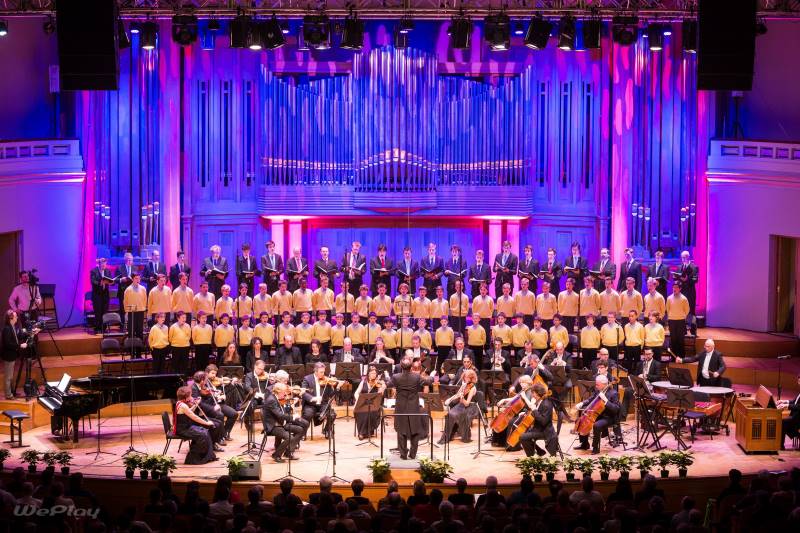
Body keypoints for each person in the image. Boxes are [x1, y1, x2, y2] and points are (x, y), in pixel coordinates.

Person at [391, 355, 433, 459]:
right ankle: (413, 454)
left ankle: (403, 454)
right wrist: (432, 376)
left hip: (401, 407)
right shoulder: (416, 377)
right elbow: (428, 381)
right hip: (413, 406)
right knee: (415, 430)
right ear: (411, 367)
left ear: (401, 366)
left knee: (401, 430)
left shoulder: (396, 377)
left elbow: (388, 383)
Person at [574, 374, 620, 454]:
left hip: (609, 417)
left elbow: (615, 409)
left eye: (597, 384)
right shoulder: (598, 391)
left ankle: (596, 448)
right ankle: (584, 444)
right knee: (580, 420)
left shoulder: (613, 393)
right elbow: (590, 399)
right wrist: (582, 403)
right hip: (598, 414)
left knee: (597, 425)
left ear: (604, 384)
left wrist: (606, 401)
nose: (596, 386)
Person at [173, 386, 217, 464]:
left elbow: (189, 412)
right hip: (183, 429)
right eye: (190, 395)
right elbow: (194, 417)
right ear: (185, 398)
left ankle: (209, 456)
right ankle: (194, 459)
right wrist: (207, 423)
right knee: (203, 434)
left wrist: (195, 405)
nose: (191, 397)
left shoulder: (179, 402)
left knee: (205, 431)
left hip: (186, 427)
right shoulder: (183, 405)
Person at [263, 382, 304, 463]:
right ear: (278, 391)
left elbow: (283, 412)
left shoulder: (278, 398)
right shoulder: (271, 400)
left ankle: (288, 452)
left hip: (281, 423)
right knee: (289, 437)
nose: (285, 394)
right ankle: (276, 455)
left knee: (300, 430)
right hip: (274, 425)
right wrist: (293, 417)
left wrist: (291, 405)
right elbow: (280, 415)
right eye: (283, 392)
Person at [439, 368, 480, 444]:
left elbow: (467, 403)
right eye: (464, 377)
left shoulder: (473, 388)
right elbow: (457, 394)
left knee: (453, 414)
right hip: (461, 405)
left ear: (471, 378)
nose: (464, 379)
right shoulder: (464, 385)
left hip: (470, 407)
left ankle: (464, 435)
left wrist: (462, 398)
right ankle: (448, 435)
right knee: (449, 414)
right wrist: (449, 400)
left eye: (466, 377)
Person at [519, 382, 559, 457]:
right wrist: (526, 413)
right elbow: (537, 414)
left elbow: (543, 421)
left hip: (545, 431)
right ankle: (539, 451)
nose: (532, 395)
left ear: (537, 393)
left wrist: (534, 410)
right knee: (524, 432)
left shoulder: (546, 404)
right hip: (538, 428)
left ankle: (531, 457)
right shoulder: (540, 401)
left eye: (533, 393)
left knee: (523, 437)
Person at [301, 362, 341, 438]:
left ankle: (327, 430)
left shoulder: (326, 380)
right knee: (307, 415)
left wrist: (337, 387)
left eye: (323, 372)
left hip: (323, 404)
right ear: (315, 371)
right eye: (321, 372)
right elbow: (303, 392)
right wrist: (312, 398)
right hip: (310, 405)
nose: (323, 374)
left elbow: (330, 395)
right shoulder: (307, 379)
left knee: (332, 415)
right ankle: (303, 432)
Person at [354, 364, 386, 440]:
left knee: (369, 411)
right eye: (372, 373)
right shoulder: (363, 382)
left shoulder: (378, 383)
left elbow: (380, 396)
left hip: (374, 405)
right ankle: (364, 432)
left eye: (375, 373)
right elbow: (356, 393)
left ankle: (364, 432)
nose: (374, 375)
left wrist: (383, 388)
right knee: (360, 411)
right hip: (363, 404)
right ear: (368, 374)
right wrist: (359, 400)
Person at [2, 310, 27, 400]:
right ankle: (8, 395)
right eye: (15, 316)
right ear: (11, 318)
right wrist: (20, 345)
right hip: (8, 356)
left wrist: (28, 332)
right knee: (8, 377)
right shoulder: (7, 329)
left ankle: (12, 392)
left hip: (13, 355)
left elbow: (19, 336)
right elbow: (8, 343)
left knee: (11, 376)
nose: (17, 318)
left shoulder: (13, 326)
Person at [666, 282, 690, 359]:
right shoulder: (669, 298)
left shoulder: (684, 298)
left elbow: (687, 310)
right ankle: (674, 356)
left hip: (680, 321)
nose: (674, 289)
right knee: (673, 339)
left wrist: (681, 316)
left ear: (680, 288)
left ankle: (681, 357)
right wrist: (671, 316)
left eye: (676, 287)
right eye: (673, 287)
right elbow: (667, 309)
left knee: (680, 339)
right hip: (672, 320)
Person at [90, 258, 113, 334]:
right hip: (97, 295)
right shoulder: (94, 271)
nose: (104, 266)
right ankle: (97, 328)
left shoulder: (107, 271)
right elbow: (93, 281)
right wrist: (100, 282)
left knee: (104, 311)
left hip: (105, 295)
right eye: (102, 265)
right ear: (99, 264)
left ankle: (104, 328)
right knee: (98, 312)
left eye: (105, 265)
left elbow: (110, 280)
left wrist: (111, 282)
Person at [777, 374, 800, 450]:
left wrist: (786, 406)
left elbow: (798, 406)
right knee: (784, 422)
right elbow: (794, 401)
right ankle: (796, 434)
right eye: (799, 379)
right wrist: (784, 401)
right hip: (795, 416)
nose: (799, 381)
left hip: (798, 418)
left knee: (783, 422)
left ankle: (781, 446)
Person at [122, 273, 147, 338]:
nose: (138, 280)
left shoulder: (143, 288)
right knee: (131, 330)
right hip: (132, 312)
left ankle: (139, 346)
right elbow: (125, 301)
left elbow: (145, 299)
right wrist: (127, 311)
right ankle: (131, 346)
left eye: (139, 278)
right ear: (132, 279)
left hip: (140, 312)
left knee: (140, 330)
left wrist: (143, 308)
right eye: (136, 278)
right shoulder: (128, 289)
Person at [678, 250, 699, 318]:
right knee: (681, 310)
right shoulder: (679, 267)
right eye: (682, 257)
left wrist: (687, 279)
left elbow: (695, 280)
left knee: (690, 310)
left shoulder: (694, 267)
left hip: (690, 292)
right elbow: (677, 278)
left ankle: (692, 326)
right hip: (681, 292)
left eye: (685, 257)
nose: (683, 259)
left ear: (688, 257)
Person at [169, 311, 191, 375]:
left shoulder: (187, 326)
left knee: (184, 364)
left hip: (185, 347)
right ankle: (175, 380)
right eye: (183, 317)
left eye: (185, 318)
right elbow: (170, 338)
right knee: (175, 364)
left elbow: (189, 336)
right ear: (178, 318)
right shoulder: (173, 327)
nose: (185, 319)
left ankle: (184, 379)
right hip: (176, 347)